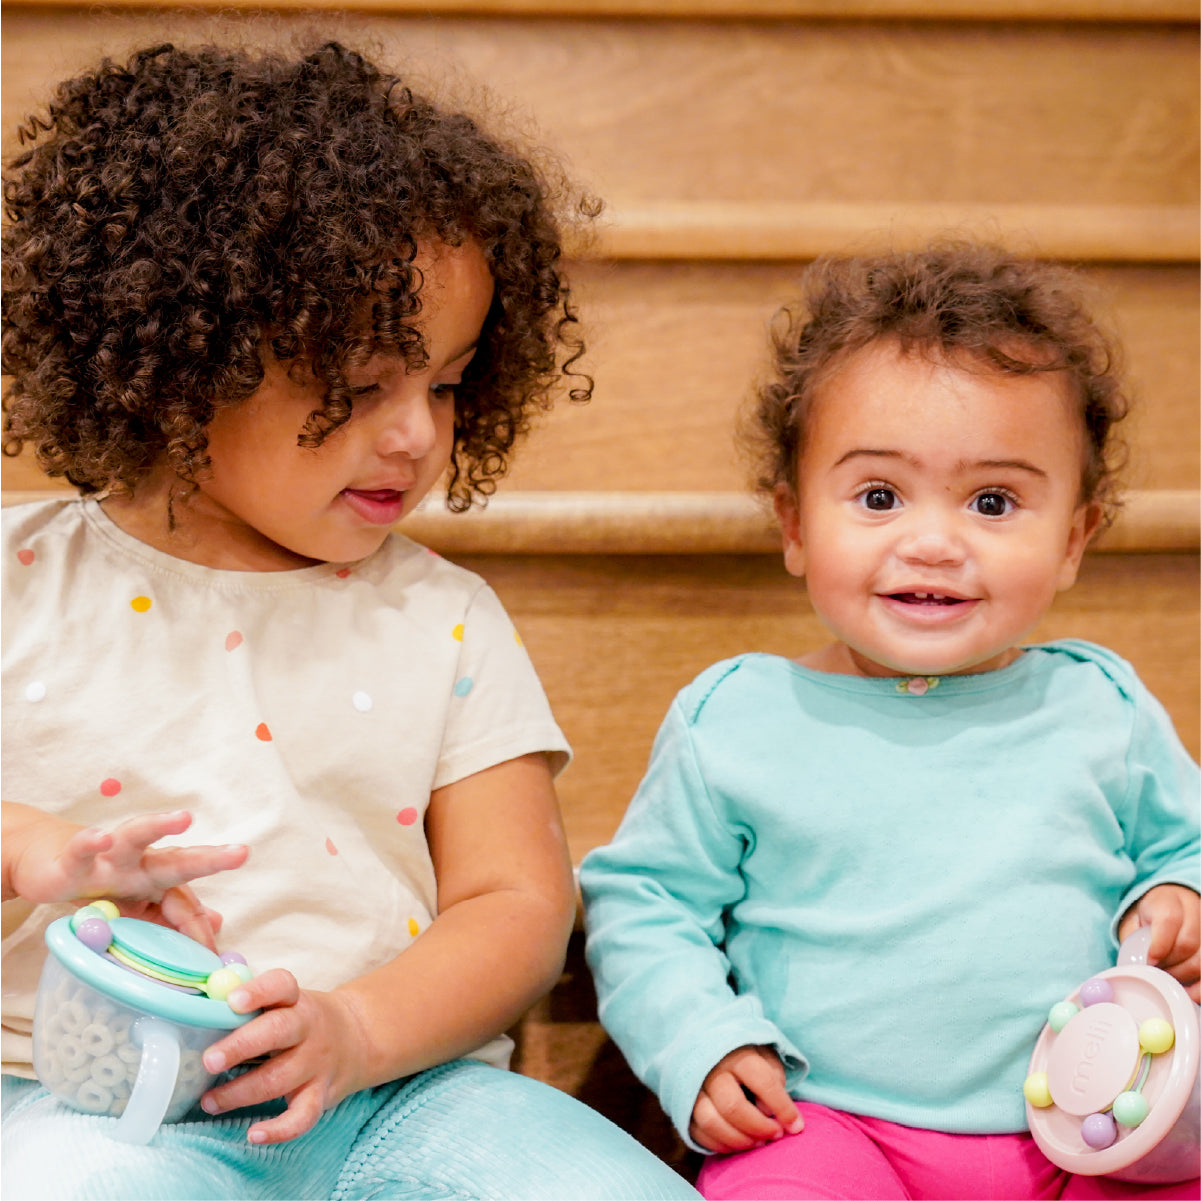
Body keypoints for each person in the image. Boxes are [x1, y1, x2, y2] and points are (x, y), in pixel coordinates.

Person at [0, 40, 700, 1200]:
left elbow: (516, 903)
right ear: (188, 358)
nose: (417, 435)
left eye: (445, 382)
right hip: (79, 1106)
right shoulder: (20, 579)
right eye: (362, 383)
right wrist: (34, 853)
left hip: (400, 1096)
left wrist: (361, 1029)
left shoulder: (444, 619)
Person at [579, 243, 1200, 1201]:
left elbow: (1187, 847)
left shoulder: (1098, 707)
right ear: (792, 523)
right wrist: (701, 1040)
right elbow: (642, 905)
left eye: (993, 501)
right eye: (877, 496)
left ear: (1075, 537)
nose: (932, 541)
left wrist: (1179, 895)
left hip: (1089, 1134)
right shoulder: (738, 718)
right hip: (824, 1124)